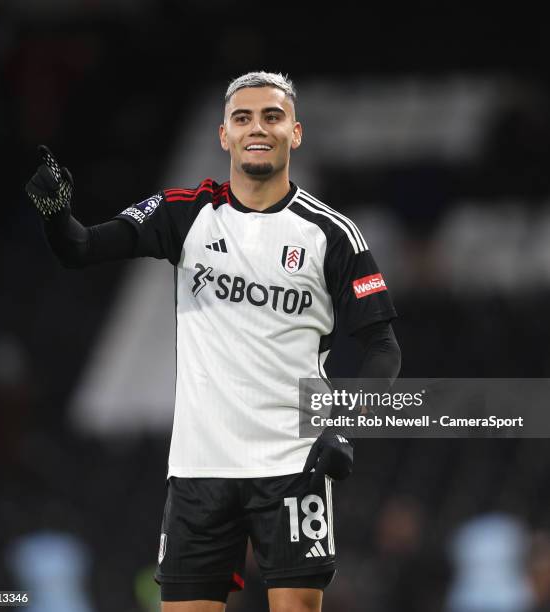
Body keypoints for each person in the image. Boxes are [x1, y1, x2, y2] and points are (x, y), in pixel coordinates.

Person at [26, 71, 401, 612]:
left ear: (295, 132)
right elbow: (79, 248)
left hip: (292, 464)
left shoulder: (331, 234)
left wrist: (347, 427)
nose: (257, 127)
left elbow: (383, 346)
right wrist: (56, 216)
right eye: (242, 117)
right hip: (200, 467)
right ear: (223, 134)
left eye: (272, 116)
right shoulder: (186, 212)